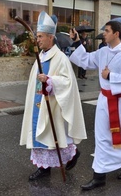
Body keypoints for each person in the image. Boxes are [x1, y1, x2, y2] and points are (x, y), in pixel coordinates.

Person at [69, 21, 121, 190]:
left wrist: (111, 76)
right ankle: (99, 176)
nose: (104, 34)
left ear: (116, 34)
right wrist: (77, 41)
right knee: (102, 137)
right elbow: (85, 60)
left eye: (107, 31)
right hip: (104, 100)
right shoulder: (102, 51)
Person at [20, 11, 87, 181]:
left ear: (51, 37)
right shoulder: (40, 56)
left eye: (41, 36)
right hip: (38, 102)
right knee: (41, 134)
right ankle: (44, 168)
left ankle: (72, 154)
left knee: (52, 136)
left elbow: (68, 82)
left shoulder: (61, 58)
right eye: (37, 36)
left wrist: (50, 81)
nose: (38, 39)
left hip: (52, 104)